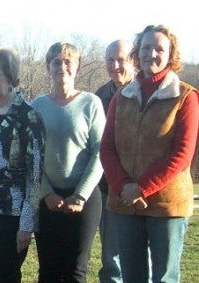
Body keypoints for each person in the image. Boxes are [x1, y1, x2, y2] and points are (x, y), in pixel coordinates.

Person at [100, 24, 199, 283]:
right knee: (131, 276)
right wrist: (124, 187)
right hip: (125, 203)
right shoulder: (122, 96)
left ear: (170, 54)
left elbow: (182, 154)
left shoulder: (185, 97)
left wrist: (141, 187)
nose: (151, 54)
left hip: (167, 206)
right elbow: (107, 147)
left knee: (164, 278)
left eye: (159, 49)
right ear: (137, 52)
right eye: (146, 48)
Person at [31, 42, 106, 282]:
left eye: (68, 61)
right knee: (49, 270)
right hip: (47, 199)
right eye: (56, 62)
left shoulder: (91, 103)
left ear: (77, 67)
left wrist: (80, 195)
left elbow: (100, 151)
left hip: (84, 200)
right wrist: (46, 193)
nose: (62, 66)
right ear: (48, 68)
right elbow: (32, 154)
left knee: (76, 270)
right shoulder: (37, 106)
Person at [0, 48, 45, 282]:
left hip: (13, 215)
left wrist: (27, 224)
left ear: (10, 76)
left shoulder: (28, 117)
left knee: (5, 276)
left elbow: (35, 175)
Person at [95, 39, 134, 283]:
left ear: (133, 61)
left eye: (121, 59)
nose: (115, 65)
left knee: (144, 257)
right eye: (110, 60)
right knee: (111, 260)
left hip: (143, 187)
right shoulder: (100, 96)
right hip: (108, 189)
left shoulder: (145, 93)